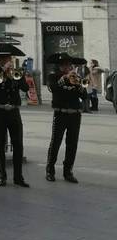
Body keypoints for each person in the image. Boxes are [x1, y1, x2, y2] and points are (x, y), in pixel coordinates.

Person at [0, 43, 30, 188]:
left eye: (7, 58)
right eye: (3, 59)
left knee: (18, 143)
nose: (6, 61)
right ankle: (2, 175)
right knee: (0, 143)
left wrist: (18, 77)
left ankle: (18, 177)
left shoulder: (16, 72)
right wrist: (3, 71)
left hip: (14, 111)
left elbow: (25, 88)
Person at [46, 53, 86, 183]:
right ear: (60, 66)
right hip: (60, 114)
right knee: (55, 142)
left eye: (69, 65)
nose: (67, 67)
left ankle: (68, 172)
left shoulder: (76, 78)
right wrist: (64, 78)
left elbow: (84, 96)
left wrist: (79, 85)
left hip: (75, 114)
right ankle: (50, 170)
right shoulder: (53, 76)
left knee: (72, 144)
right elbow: (54, 88)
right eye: (64, 65)